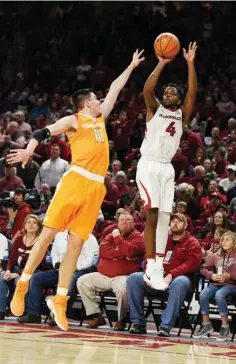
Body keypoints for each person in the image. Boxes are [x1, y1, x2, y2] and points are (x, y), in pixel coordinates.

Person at [7, 49, 145, 331]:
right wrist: (29, 151)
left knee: (75, 245)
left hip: (96, 188)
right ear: (86, 104)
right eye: (96, 99)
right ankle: (23, 283)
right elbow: (43, 132)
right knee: (47, 235)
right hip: (76, 180)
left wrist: (131, 66)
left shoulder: (99, 120)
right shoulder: (75, 120)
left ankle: (59, 299)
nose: (101, 100)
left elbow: (116, 89)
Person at [136, 42, 197, 290]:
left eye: (173, 92)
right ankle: (150, 263)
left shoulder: (183, 114)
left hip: (166, 168)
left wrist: (190, 64)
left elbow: (193, 92)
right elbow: (147, 90)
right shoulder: (155, 109)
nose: (168, 94)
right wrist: (161, 62)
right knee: (151, 212)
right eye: (167, 92)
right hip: (149, 165)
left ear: (180, 99)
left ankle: (158, 265)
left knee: (163, 217)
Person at [127, 213, 202, 336]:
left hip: (177, 281)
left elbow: (192, 263)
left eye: (179, 221)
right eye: (173, 221)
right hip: (157, 278)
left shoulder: (192, 243)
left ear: (186, 225)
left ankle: (165, 326)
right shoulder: (162, 239)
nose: (175, 224)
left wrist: (172, 274)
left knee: (181, 282)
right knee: (134, 278)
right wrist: (149, 272)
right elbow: (149, 257)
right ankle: (138, 323)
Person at [193, 232, 236, 341]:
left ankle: (225, 327)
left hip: (231, 285)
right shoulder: (216, 255)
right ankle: (206, 324)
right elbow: (203, 268)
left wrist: (230, 275)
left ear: (234, 242)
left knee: (219, 295)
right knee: (203, 294)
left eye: (227, 240)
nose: (224, 242)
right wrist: (212, 275)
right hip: (216, 283)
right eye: (222, 240)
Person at [0, 214, 43, 320]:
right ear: (24, 225)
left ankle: (22, 311)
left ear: (38, 226)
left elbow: (35, 263)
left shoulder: (41, 242)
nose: (31, 225)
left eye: (34, 223)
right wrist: (8, 270)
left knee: (20, 280)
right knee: (2, 277)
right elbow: (12, 258)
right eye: (29, 222)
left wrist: (17, 274)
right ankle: (1, 311)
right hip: (17, 269)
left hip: (34, 270)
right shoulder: (19, 239)